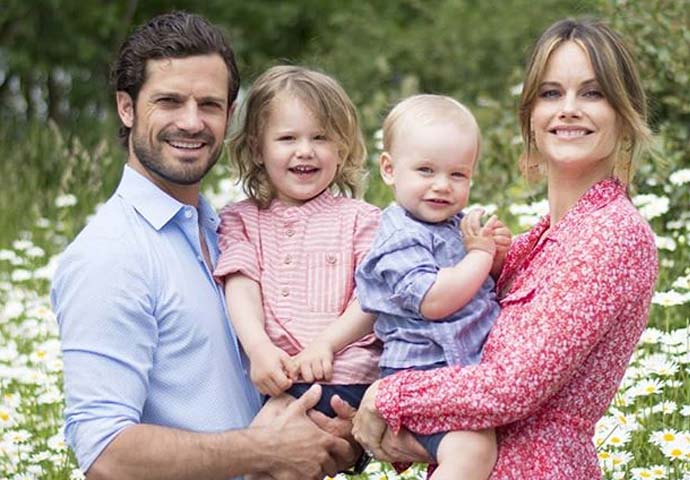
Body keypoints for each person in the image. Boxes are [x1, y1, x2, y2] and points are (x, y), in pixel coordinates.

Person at [51, 12, 358, 480]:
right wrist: (263, 451)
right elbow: (106, 452)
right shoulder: (110, 255)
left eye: (210, 105)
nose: (192, 123)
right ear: (127, 108)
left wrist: (341, 439)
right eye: (169, 101)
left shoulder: (234, 228)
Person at [352, 18, 659, 479]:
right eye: (551, 93)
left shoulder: (612, 234)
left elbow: (510, 389)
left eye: (593, 93)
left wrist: (386, 396)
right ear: (530, 113)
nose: (569, 109)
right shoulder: (533, 241)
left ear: (624, 112)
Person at [352, 94, 511, 479]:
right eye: (426, 170)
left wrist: (497, 258)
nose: (442, 186)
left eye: (457, 175)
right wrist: (479, 257)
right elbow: (435, 300)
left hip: (459, 371)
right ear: (390, 169)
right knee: (471, 450)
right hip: (421, 373)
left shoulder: (455, 226)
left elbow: (477, 290)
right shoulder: (398, 237)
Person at [213, 65, 382, 417]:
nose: (305, 151)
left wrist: (326, 344)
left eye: (320, 138)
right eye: (288, 138)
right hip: (271, 374)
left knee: (270, 449)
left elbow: (370, 299)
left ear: (341, 148)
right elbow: (241, 285)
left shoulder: (361, 219)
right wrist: (258, 347)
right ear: (258, 150)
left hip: (341, 374)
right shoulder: (240, 220)